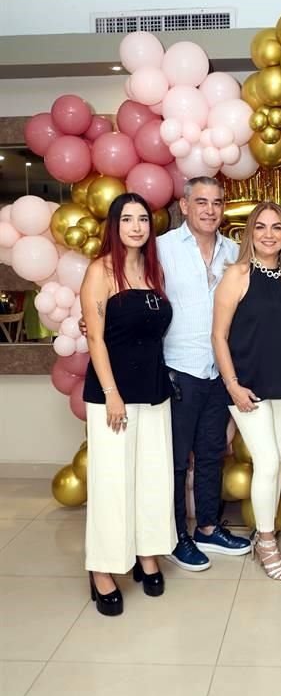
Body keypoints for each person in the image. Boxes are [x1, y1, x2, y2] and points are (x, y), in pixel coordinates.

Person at [81, 193, 175, 616]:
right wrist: (112, 393)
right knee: (112, 482)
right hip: (112, 395)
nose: (136, 226)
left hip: (154, 390)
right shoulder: (100, 270)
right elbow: (95, 338)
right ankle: (102, 568)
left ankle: (146, 552)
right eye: (128, 219)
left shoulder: (152, 271)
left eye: (143, 219)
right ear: (114, 225)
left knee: (151, 479)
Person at [158, 176, 251, 570]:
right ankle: (175, 535)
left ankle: (208, 528)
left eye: (216, 202)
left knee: (213, 453)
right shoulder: (161, 248)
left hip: (218, 370)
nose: (210, 209)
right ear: (185, 205)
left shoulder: (234, 251)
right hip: (177, 368)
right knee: (177, 460)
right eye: (201, 202)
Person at [212, 202, 281, 579]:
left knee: (274, 463)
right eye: (261, 227)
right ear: (249, 233)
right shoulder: (237, 274)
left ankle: (264, 533)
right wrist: (232, 385)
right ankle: (266, 541)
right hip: (246, 387)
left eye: (277, 228)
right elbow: (218, 335)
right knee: (267, 462)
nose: (269, 234)